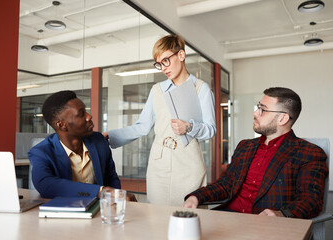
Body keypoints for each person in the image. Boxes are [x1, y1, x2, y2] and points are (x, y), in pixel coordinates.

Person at [103, 34, 216, 206]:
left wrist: (189, 127)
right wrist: (108, 137)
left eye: (166, 61)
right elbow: (142, 127)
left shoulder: (201, 88)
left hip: (189, 163)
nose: (163, 68)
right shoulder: (157, 90)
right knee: (156, 218)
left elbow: (210, 130)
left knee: (189, 216)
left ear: (181, 55)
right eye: (159, 64)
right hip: (159, 164)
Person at [183, 87, 328, 219]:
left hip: (264, 224)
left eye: (262, 110)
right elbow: (226, 184)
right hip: (229, 217)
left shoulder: (309, 153)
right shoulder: (245, 146)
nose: (255, 113)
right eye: (258, 107)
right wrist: (196, 197)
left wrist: (281, 214)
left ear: (282, 118)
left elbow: (311, 201)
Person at [28, 90, 136, 201]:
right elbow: (46, 185)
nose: (89, 117)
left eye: (86, 111)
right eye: (81, 114)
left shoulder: (99, 141)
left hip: (98, 211)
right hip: (64, 212)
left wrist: (117, 202)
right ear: (62, 125)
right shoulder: (41, 152)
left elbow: (111, 178)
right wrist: (101, 191)